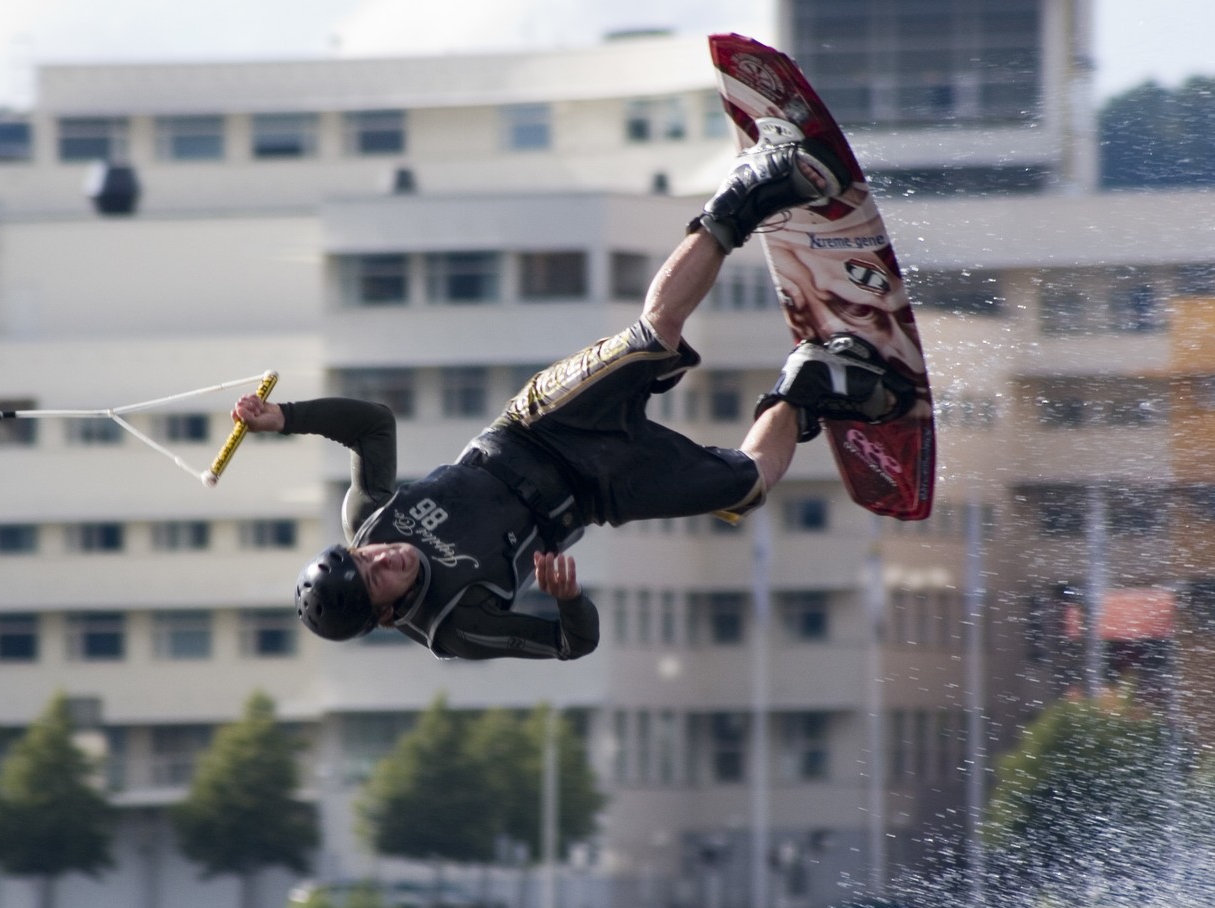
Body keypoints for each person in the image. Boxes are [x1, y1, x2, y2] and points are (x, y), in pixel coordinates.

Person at [231, 120, 915, 662]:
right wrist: (566, 600)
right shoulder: (456, 625)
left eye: (366, 556)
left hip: (535, 426)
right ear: (386, 614)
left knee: (653, 337)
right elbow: (572, 643)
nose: (384, 556)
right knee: (746, 487)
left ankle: (749, 192)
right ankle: (809, 382)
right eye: (378, 576)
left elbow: (373, 424)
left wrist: (282, 417)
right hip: (597, 491)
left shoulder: (370, 517)